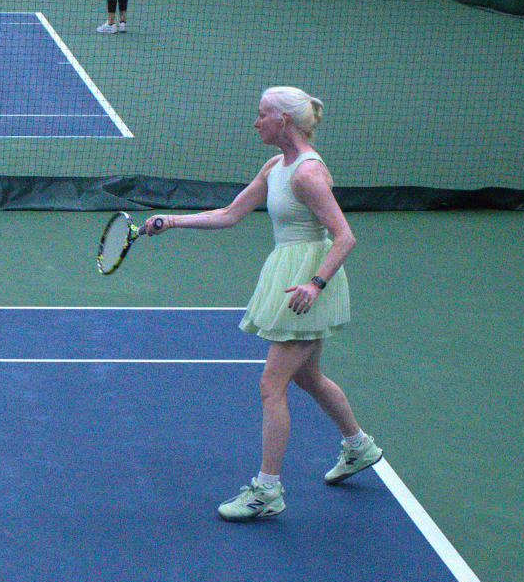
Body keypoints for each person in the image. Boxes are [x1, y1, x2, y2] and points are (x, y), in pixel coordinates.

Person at [143, 87, 382, 522]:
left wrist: (316, 283)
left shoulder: (307, 174)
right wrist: (172, 220)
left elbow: (345, 236)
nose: (256, 122)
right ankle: (358, 446)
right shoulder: (275, 165)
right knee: (308, 378)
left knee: (272, 385)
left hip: (307, 283)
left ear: (283, 122)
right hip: (290, 275)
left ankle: (266, 491)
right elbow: (230, 214)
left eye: (262, 115)